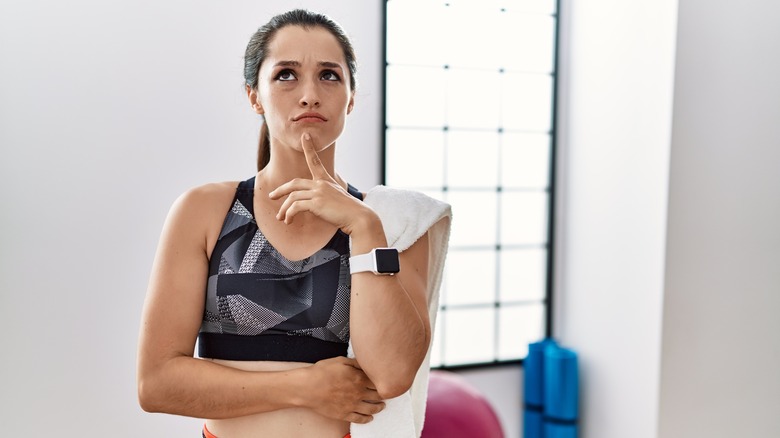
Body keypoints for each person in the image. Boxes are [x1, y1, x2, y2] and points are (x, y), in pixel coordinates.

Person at [137, 9, 451, 438]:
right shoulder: (205, 210)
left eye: (329, 76)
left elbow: (393, 376)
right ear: (254, 96)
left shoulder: (391, 223)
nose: (309, 95)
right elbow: (156, 385)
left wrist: (364, 228)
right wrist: (305, 388)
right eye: (286, 75)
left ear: (351, 98)